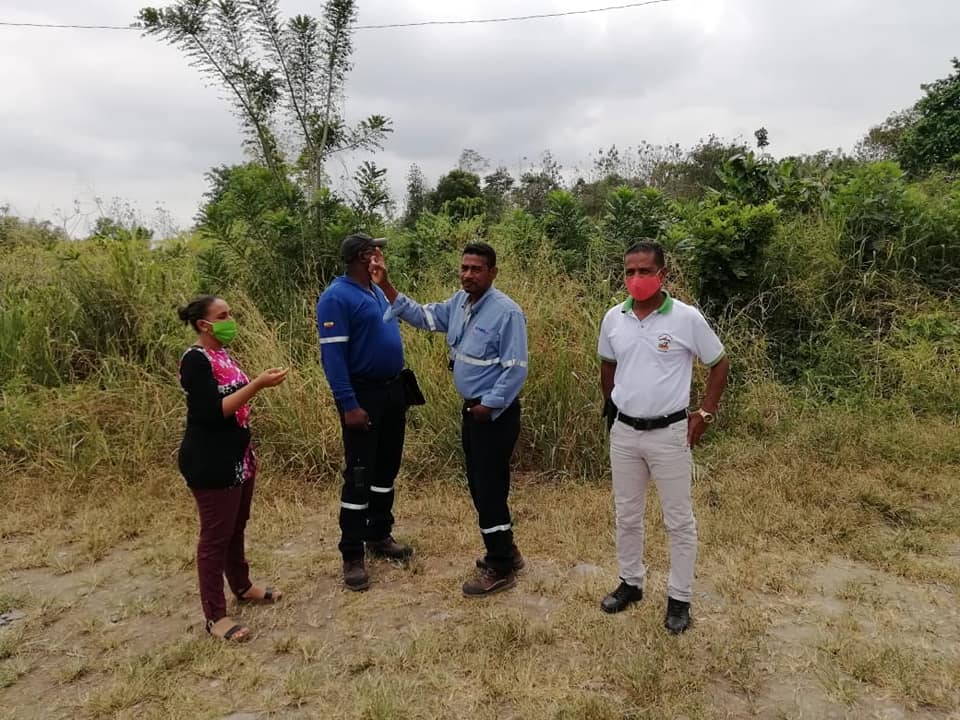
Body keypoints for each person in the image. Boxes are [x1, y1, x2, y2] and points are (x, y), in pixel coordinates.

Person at [370, 241, 528, 597]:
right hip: (473, 412)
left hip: (493, 416)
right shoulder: (459, 303)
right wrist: (385, 285)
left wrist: (489, 406)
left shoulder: (507, 313)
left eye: (476, 269)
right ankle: (506, 549)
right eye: (464, 268)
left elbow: (516, 368)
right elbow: (422, 316)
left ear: (492, 272)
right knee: (481, 485)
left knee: (489, 487)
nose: (468, 275)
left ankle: (500, 565)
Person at [597, 240, 729, 634]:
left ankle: (679, 597)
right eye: (629, 271)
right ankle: (630, 582)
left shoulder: (686, 319)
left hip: (669, 433)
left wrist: (705, 413)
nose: (636, 278)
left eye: (644, 271)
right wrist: (613, 405)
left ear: (662, 274)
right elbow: (608, 364)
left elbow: (719, 362)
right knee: (626, 513)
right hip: (625, 432)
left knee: (678, 519)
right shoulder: (614, 318)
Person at [177, 295, 289, 642]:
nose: (230, 320)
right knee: (215, 537)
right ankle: (215, 616)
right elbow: (212, 412)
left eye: (230, 314)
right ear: (203, 325)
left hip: (238, 456)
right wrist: (257, 385)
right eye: (223, 316)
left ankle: (242, 586)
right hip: (211, 460)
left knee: (236, 525)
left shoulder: (221, 354)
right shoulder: (195, 360)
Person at [317, 233, 414, 592]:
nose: (381, 255)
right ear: (364, 256)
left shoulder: (375, 290)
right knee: (359, 474)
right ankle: (352, 553)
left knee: (386, 467)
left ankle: (379, 533)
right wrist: (349, 404)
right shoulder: (336, 297)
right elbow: (333, 357)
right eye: (376, 251)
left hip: (392, 390)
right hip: (363, 396)